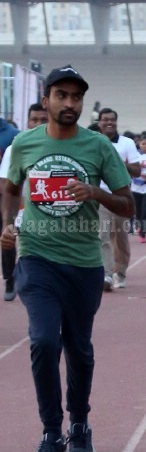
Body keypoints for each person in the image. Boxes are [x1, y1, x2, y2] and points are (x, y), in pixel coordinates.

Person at [1, 66, 132, 452]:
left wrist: (95, 191)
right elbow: (9, 188)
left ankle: (80, 424)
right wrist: (9, 222)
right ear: (47, 100)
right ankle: (51, 432)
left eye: (76, 97)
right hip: (38, 259)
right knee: (43, 341)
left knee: (79, 349)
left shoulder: (98, 147)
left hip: (83, 264)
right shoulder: (24, 144)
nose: (69, 103)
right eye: (62, 95)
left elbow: (128, 205)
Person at [1, 100, 46, 302]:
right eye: (34, 119)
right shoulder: (16, 148)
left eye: (43, 119)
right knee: (9, 242)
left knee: (36, 251)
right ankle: (10, 281)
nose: (38, 123)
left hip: (45, 210)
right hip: (18, 206)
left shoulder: (61, 147)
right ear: (27, 122)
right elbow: (4, 182)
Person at [96, 107, 141, 288]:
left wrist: (118, 163)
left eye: (112, 119)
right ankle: (107, 274)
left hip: (121, 197)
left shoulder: (126, 143)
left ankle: (120, 272)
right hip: (100, 196)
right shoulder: (94, 142)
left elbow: (137, 170)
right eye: (105, 119)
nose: (109, 123)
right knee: (102, 235)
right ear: (99, 122)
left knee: (120, 237)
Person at [130, 135, 146, 240]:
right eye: (142, 144)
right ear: (139, 145)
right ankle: (138, 224)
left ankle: (143, 232)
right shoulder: (135, 156)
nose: (144, 146)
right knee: (137, 210)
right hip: (136, 187)